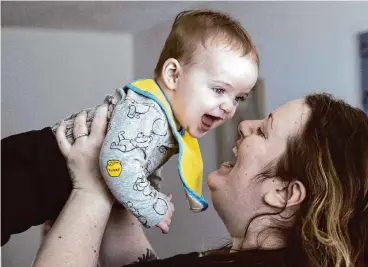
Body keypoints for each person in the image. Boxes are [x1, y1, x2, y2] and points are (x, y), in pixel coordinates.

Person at [18, 94, 368, 267]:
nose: (244, 125)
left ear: (285, 193)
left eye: (264, 130)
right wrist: (124, 187)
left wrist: (90, 189)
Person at [1, 9, 259, 245]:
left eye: (238, 98)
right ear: (173, 75)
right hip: (30, 166)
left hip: (43, 185)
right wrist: (151, 205)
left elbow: (142, 160)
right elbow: (116, 162)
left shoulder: (167, 123)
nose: (228, 107)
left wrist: (149, 188)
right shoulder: (148, 110)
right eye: (219, 90)